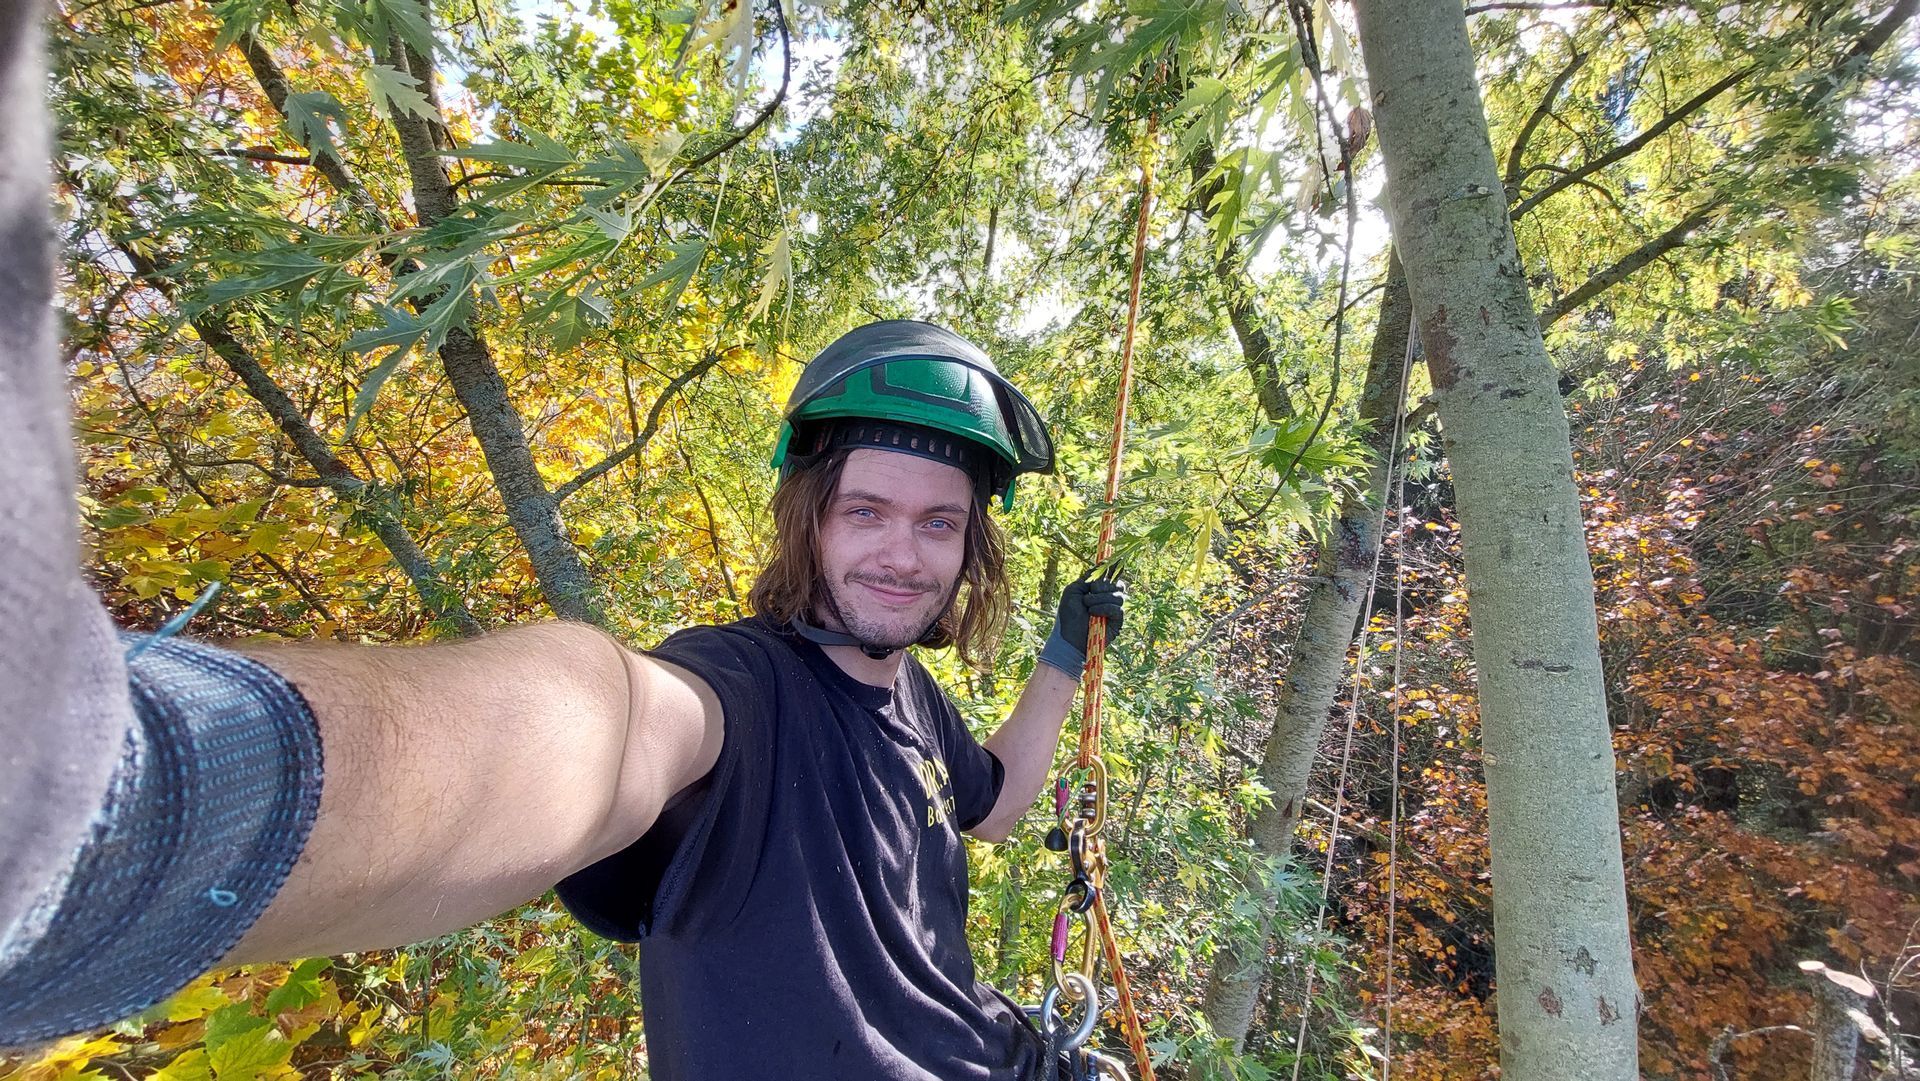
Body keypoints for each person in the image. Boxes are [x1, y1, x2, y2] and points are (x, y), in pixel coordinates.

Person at [0, 305, 1129, 1076]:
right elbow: (598, 728)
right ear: (811, 519)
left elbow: (996, 802)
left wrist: (1066, 654)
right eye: (867, 511)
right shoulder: (737, 690)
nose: (903, 554)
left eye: (939, 523)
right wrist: (137, 786)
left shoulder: (916, 700)